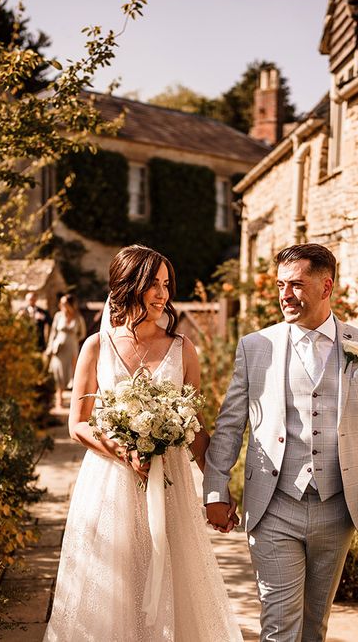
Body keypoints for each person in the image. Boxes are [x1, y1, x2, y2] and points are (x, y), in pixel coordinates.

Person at [204, 242, 358, 642]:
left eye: (295, 284)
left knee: (315, 626)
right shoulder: (257, 346)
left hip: (338, 507)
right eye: (280, 285)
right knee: (279, 625)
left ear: (326, 286)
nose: (285, 295)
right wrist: (215, 490)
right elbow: (230, 424)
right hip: (274, 504)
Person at [44, 244, 242, 642]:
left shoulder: (183, 349)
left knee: (171, 576)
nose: (162, 294)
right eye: (153, 284)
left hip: (169, 484)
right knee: (113, 585)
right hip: (110, 485)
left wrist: (218, 491)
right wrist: (122, 452)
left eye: (166, 284)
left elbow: (194, 427)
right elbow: (77, 424)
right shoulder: (96, 347)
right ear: (126, 285)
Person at [45, 293, 87, 410]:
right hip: (59, 348)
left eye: (64, 303)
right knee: (58, 372)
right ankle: (59, 399)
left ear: (70, 304)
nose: (61, 305)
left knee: (71, 373)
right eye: (61, 303)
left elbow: (82, 333)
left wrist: (73, 340)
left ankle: (75, 403)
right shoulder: (58, 316)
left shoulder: (78, 317)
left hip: (71, 348)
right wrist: (50, 347)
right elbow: (53, 332)